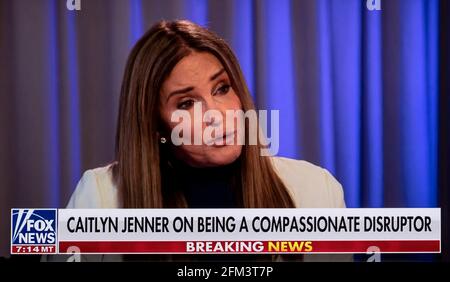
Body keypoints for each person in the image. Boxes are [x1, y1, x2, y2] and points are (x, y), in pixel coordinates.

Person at [44, 20, 348, 262]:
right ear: (155, 126)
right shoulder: (98, 199)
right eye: (186, 103)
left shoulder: (317, 190)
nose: (216, 115)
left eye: (221, 88)